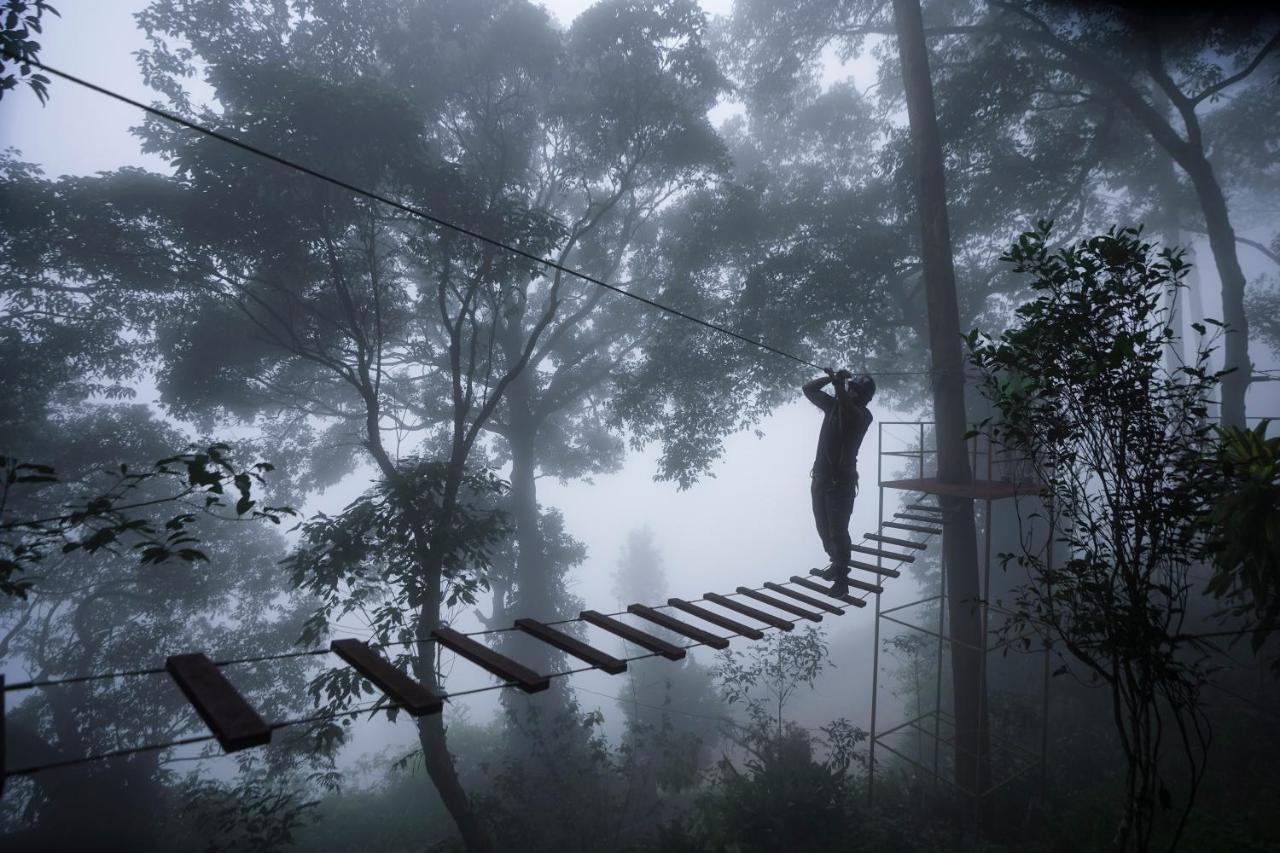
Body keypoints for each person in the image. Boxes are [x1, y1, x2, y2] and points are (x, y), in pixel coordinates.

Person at [803, 367, 875, 597]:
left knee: (838, 532)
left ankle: (842, 581)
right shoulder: (833, 406)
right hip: (821, 479)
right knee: (823, 529)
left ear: (865, 398)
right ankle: (836, 564)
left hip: (840, 485)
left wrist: (839, 385)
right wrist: (831, 378)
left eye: (857, 392)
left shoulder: (863, 416)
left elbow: (848, 409)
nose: (853, 394)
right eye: (852, 389)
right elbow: (808, 389)